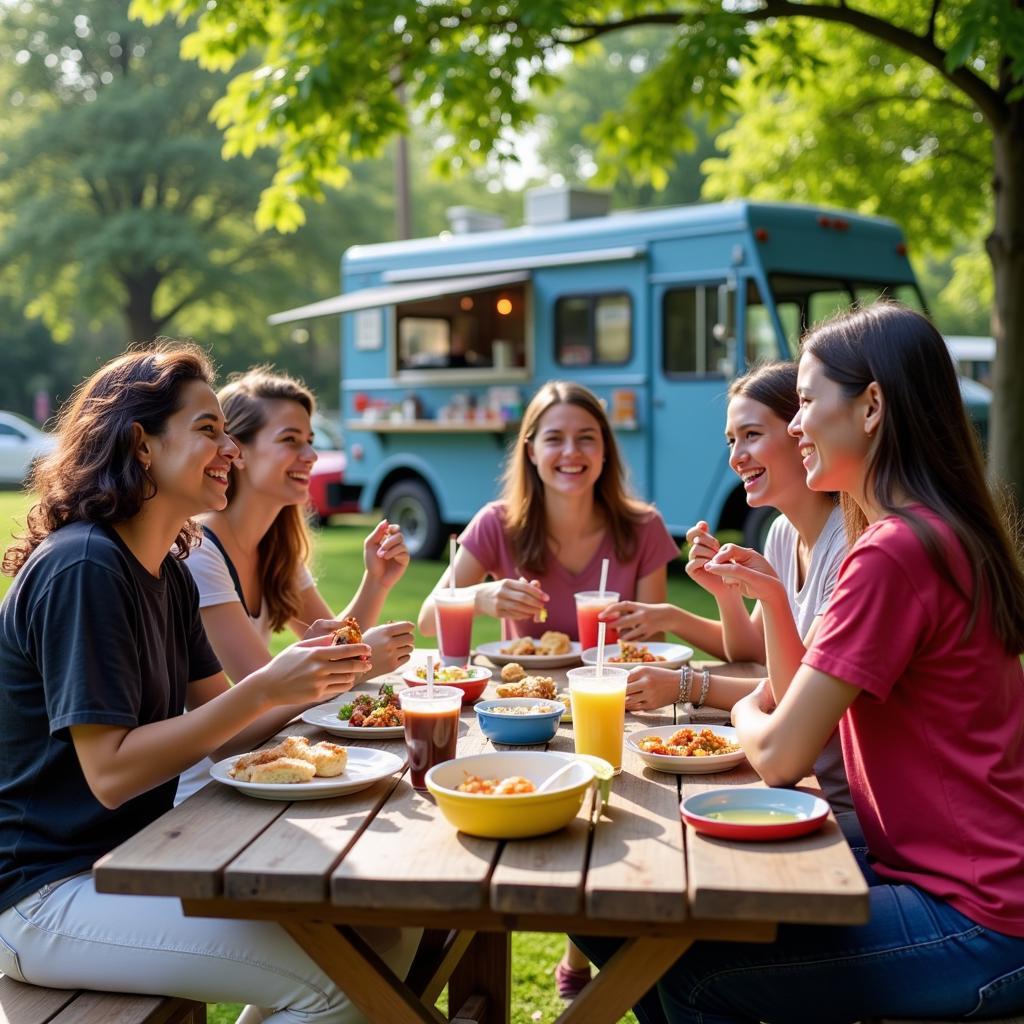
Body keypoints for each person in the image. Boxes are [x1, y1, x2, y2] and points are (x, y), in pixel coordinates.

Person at [575, 302, 1024, 1022]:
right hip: (945, 887)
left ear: (872, 406)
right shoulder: (933, 533)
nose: (794, 425)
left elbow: (785, 753)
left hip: (977, 920)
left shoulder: (894, 552)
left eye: (808, 400)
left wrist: (747, 703)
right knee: (635, 930)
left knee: (686, 969)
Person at [0, 345, 416, 1024]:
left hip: (135, 862)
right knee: (344, 981)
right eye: (208, 430)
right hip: (46, 895)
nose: (230, 449)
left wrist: (294, 687)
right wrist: (267, 690)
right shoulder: (85, 568)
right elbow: (109, 773)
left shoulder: (162, 571)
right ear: (140, 444)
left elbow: (224, 733)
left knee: (380, 936)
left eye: (228, 431)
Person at [418, 379, 680, 1001]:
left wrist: (634, 626)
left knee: (617, 817)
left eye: (586, 438)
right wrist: (478, 596)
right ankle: (537, 957)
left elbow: (650, 640)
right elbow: (430, 616)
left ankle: (581, 947)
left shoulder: (641, 528)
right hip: (521, 710)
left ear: (605, 450)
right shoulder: (497, 527)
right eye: (555, 438)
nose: (571, 452)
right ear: (531, 450)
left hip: (612, 697)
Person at [609, 362, 855, 823]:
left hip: (838, 809)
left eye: (752, 435)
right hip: (809, 789)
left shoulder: (849, 545)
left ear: (800, 433)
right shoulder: (784, 532)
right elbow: (748, 647)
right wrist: (724, 594)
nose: (736, 456)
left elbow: (789, 699)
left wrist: (688, 685)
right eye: (731, 440)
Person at [175, 367, 415, 803]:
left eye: (309, 440)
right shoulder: (200, 553)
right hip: (204, 787)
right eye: (290, 440)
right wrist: (361, 663)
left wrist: (375, 582)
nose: (310, 454)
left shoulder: (276, 549)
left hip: (257, 771)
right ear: (238, 451)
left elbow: (330, 641)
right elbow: (266, 688)